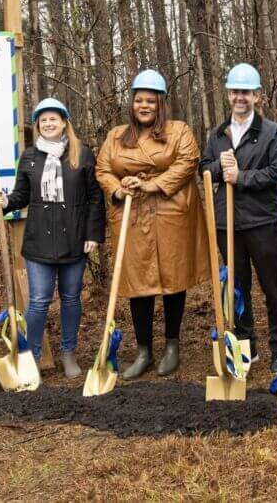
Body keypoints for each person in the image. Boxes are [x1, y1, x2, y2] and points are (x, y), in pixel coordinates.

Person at [95, 69, 209, 378]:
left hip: (170, 212)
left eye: (150, 101)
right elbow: (103, 168)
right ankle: (144, 350)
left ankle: (172, 345)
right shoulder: (115, 136)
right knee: (138, 283)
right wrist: (118, 188)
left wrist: (152, 184)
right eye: (138, 100)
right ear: (131, 104)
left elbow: (188, 162)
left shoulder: (179, 130)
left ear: (161, 104)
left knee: (172, 278)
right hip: (132, 215)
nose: (144, 106)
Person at [0, 98, 105, 379]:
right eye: (43, 120)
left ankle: (68, 353)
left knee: (71, 298)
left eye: (54, 119)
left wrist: (92, 234)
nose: (48, 124)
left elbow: (95, 198)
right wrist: (5, 201)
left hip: (74, 239)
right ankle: (32, 357)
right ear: (38, 125)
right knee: (38, 301)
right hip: (39, 241)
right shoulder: (29, 157)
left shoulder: (82, 154)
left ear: (64, 122)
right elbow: (21, 196)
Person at [200, 63, 277, 373]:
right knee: (236, 289)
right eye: (235, 91)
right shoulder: (217, 134)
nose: (240, 97)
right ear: (229, 94)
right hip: (228, 225)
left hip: (263, 222)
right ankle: (246, 347)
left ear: (257, 95)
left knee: (273, 288)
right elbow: (204, 169)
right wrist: (217, 168)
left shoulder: (271, 132)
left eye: (246, 92)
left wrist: (241, 177)